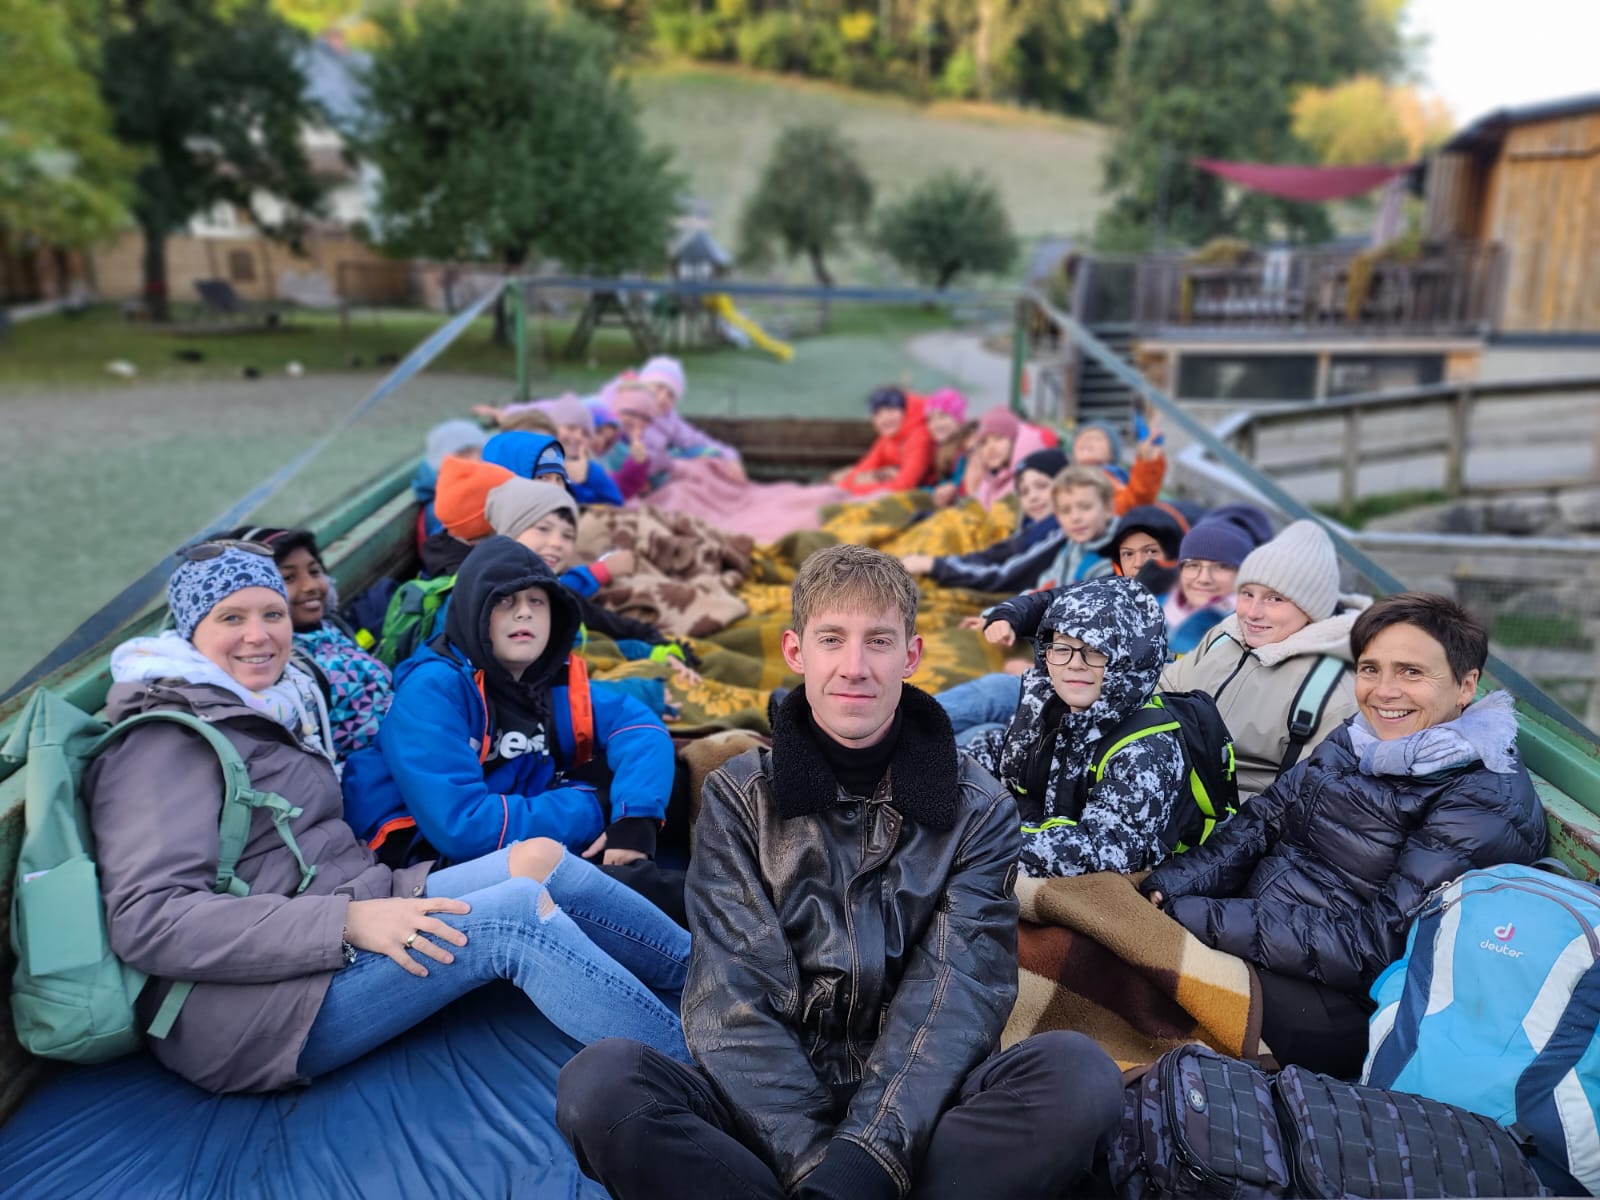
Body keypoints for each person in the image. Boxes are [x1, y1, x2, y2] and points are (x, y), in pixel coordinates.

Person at [557, 545, 1124, 1200]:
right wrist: (816, 1169)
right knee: (600, 1084)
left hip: (922, 1105)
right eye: (833, 639)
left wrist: (864, 1162)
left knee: (1079, 1074)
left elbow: (955, 991)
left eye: (878, 641)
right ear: (797, 652)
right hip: (768, 1114)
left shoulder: (979, 808)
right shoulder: (740, 796)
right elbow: (732, 998)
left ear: (911, 656)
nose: (855, 668)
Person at [86, 541, 691, 1095]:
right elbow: (149, 921)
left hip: (338, 916)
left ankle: (726, 986)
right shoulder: (162, 742)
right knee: (512, 920)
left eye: (272, 614)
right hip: (249, 1011)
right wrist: (345, 922)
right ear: (191, 630)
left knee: (539, 860)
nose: (260, 635)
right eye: (232, 618)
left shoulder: (272, 704)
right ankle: (707, 1074)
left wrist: (353, 912)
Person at [1142, 592, 1548, 1077]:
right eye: (1371, 669)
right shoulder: (1362, 738)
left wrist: (1200, 916)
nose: (1383, 691)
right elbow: (1266, 818)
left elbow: (1378, 946)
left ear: (1466, 686)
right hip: (1260, 935)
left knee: (1135, 979)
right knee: (1100, 921)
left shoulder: (1480, 799)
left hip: (1345, 1003)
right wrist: (1171, 885)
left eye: (1411, 672)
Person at [342, 537, 676, 871]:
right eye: (503, 601)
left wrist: (636, 817)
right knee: (664, 890)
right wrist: (597, 804)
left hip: (521, 830)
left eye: (536, 600)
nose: (524, 612)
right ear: (474, 610)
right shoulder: (433, 689)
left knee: (667, 788)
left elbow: (637, 725)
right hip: (424, 862)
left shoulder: (540, 676)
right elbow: (463, 827)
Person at [963, 576, 1187, 878]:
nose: (1075, 664)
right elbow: (997, 751)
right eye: (1063, 648)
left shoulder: (1146, 749)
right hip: (1027, 836)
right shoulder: (1048, 706)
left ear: (1130, 661)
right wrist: (938, 774)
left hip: (1103, 881)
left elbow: (1105, 851)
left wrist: (982, 838)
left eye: (1095, 651)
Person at [1159, 520, 1370, 800]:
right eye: (1247, 594)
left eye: (1275, 599)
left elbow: (1311, 797)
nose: (1252, 613)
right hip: (1165, 791)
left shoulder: (1333, 688)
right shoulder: (1223, 635)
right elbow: (1162, 690)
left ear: (1312, 609)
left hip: (1240, 826)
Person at [224, 525, 394, 760]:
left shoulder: (331, 626)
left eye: (314, 572)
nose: (311, 586)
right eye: (289, 577)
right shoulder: (274, 663)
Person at [898, 447, 1066, 593]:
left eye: (1042, 486)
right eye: (1024, 492)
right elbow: (990, 555)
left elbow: (1001, 576)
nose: (1033, 497)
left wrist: (933, 566)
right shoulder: (1033, 528)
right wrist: (934, 562)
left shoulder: (1059, 532)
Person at [1162, 503, 1273, 657]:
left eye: (1221, 567)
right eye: (1193, 565)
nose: (1204, 578)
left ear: (1242, 574)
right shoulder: (1149, 604)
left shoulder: (1241, 636)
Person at [637, 355, 745, 482]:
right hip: (627, 468)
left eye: (671, 395)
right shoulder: (624, 407)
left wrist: (730, 457)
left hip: (655, 468)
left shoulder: (669, 419)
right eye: (659, 387)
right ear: (641, 386)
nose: (663, 397)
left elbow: (695, 439)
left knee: (709, 454)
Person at [831, 385, 935, 496]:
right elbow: (863, 468)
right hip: (899, 489)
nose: (884, 418)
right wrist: (844, 488)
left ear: (905, 411)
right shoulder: (889, 438)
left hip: (928, 494)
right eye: (877, 413)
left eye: (890, 410)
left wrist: (854, 489)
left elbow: (903, 487)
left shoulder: (920, 436)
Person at [412, 419, 489, 541]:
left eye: (480, 452)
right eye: (464, 453)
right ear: (440, 459)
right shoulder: (440, 509)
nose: (476, 460)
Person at [1070, 420, 1166, 515]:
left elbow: (1133, 501)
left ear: (1111, 453)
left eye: (1096, 438)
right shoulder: (1065, 478)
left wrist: (1148, 461)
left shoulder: (1109, 479)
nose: (1087, 440)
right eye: (1081, 437)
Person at [924, 387, 976, 507]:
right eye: (930, 419)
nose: (935, 424)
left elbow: (958, 488)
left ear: (957, 418)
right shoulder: (940, 449)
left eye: (942, 416)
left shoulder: (965, 449)